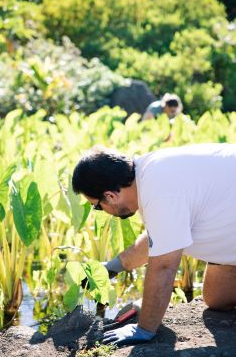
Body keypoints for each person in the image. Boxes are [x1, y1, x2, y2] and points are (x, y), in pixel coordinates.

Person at [72, 143, 236, 346]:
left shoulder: (160, 192)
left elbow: (164, 266)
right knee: (217, 298)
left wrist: (144, 329)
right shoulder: (148, 174)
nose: (101, 210)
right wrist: (113, 267)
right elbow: (158, 239)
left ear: (110, 196)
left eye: (97, 206)